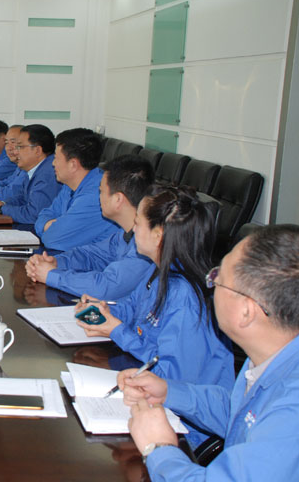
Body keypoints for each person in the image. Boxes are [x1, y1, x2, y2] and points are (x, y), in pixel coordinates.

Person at [120, 224, 299, 480]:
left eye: (217, 278)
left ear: (246, 312)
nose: (211, 285)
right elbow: (243, 414)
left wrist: (159, 448)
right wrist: (170, 392)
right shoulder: (282, 349)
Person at [74, 184, 234, 447]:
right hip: (153, 400)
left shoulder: (186, 296)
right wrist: (101, 312)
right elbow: (131, 307)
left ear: (158, 235)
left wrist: (117, 331)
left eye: (138, 223)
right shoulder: (160, 270)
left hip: (183, 427)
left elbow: (171, 376)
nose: (133, 228)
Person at [25, 154, 154, 300]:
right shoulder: (123, 234)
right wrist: (55, 262)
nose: (98, 197)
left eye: (101, 191)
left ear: (118, 199)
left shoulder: (147, 244)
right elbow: (92, 255)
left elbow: (107, 287)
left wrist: (51, 275)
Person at [34, 128, 118, 252]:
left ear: (73, 164)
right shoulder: (69, 185)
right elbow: (43, 215)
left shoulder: (97, 195)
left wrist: (53, 225)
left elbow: (53, 239)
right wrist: (51, 224)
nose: (53, 163)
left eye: (56, 158)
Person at [0, 124, 61, 228]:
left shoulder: (48, 173)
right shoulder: (34, 169)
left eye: (20, 147)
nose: (15, 152)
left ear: (37, 150)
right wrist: (2, 203)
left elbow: (34, 215)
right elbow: (22, 198)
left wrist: (1, 208)